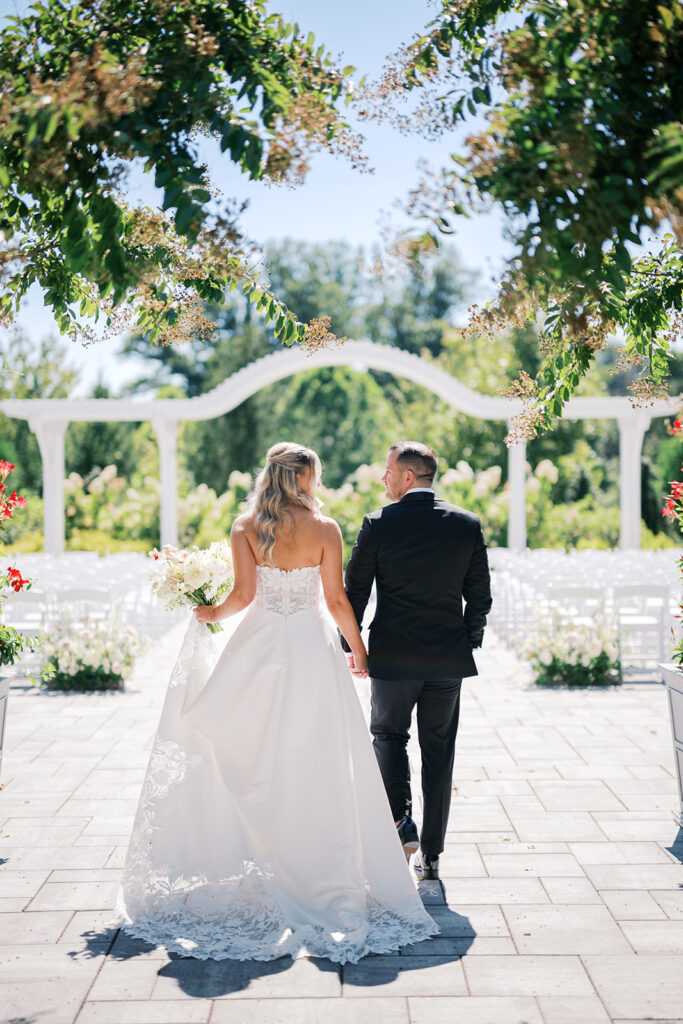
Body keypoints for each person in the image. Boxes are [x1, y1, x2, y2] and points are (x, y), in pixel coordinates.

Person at [114, 442, 437, 963]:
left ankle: (266, 849)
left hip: (259, 647)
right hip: (311, 649)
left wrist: (207, 613)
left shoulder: (246, 526)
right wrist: (359, 649)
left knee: (252, 751)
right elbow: (335, 601)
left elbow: (241, 599)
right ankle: (312, 856)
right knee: (315, 756)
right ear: (304, 478)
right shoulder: (326, 529)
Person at [342, 442, 492, 881]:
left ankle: (400, 821)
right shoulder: (466, 524)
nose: (383, 478)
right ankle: (433, 854)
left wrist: (351, 648)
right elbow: (479, 596)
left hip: (392, 657)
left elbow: (356, 593)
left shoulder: (377, 524)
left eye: (388, 470)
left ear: (408, 477)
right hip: (447, 660)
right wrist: (466, 642)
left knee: (388, 736)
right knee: (439, 753)